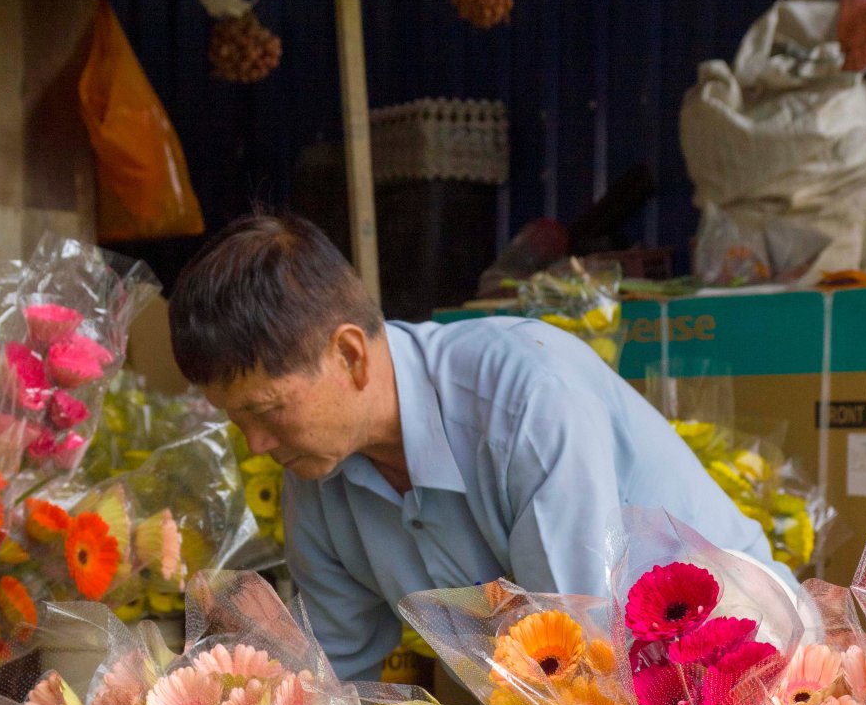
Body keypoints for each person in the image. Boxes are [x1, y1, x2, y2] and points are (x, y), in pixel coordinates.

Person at [169, 211, 787, 680]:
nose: (256, 443)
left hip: (742, 670)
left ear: (350, 355)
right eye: (237, 419)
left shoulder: (526, 401)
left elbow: (582, 655)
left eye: (266, 411)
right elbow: (335, 677)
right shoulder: (316, 475)